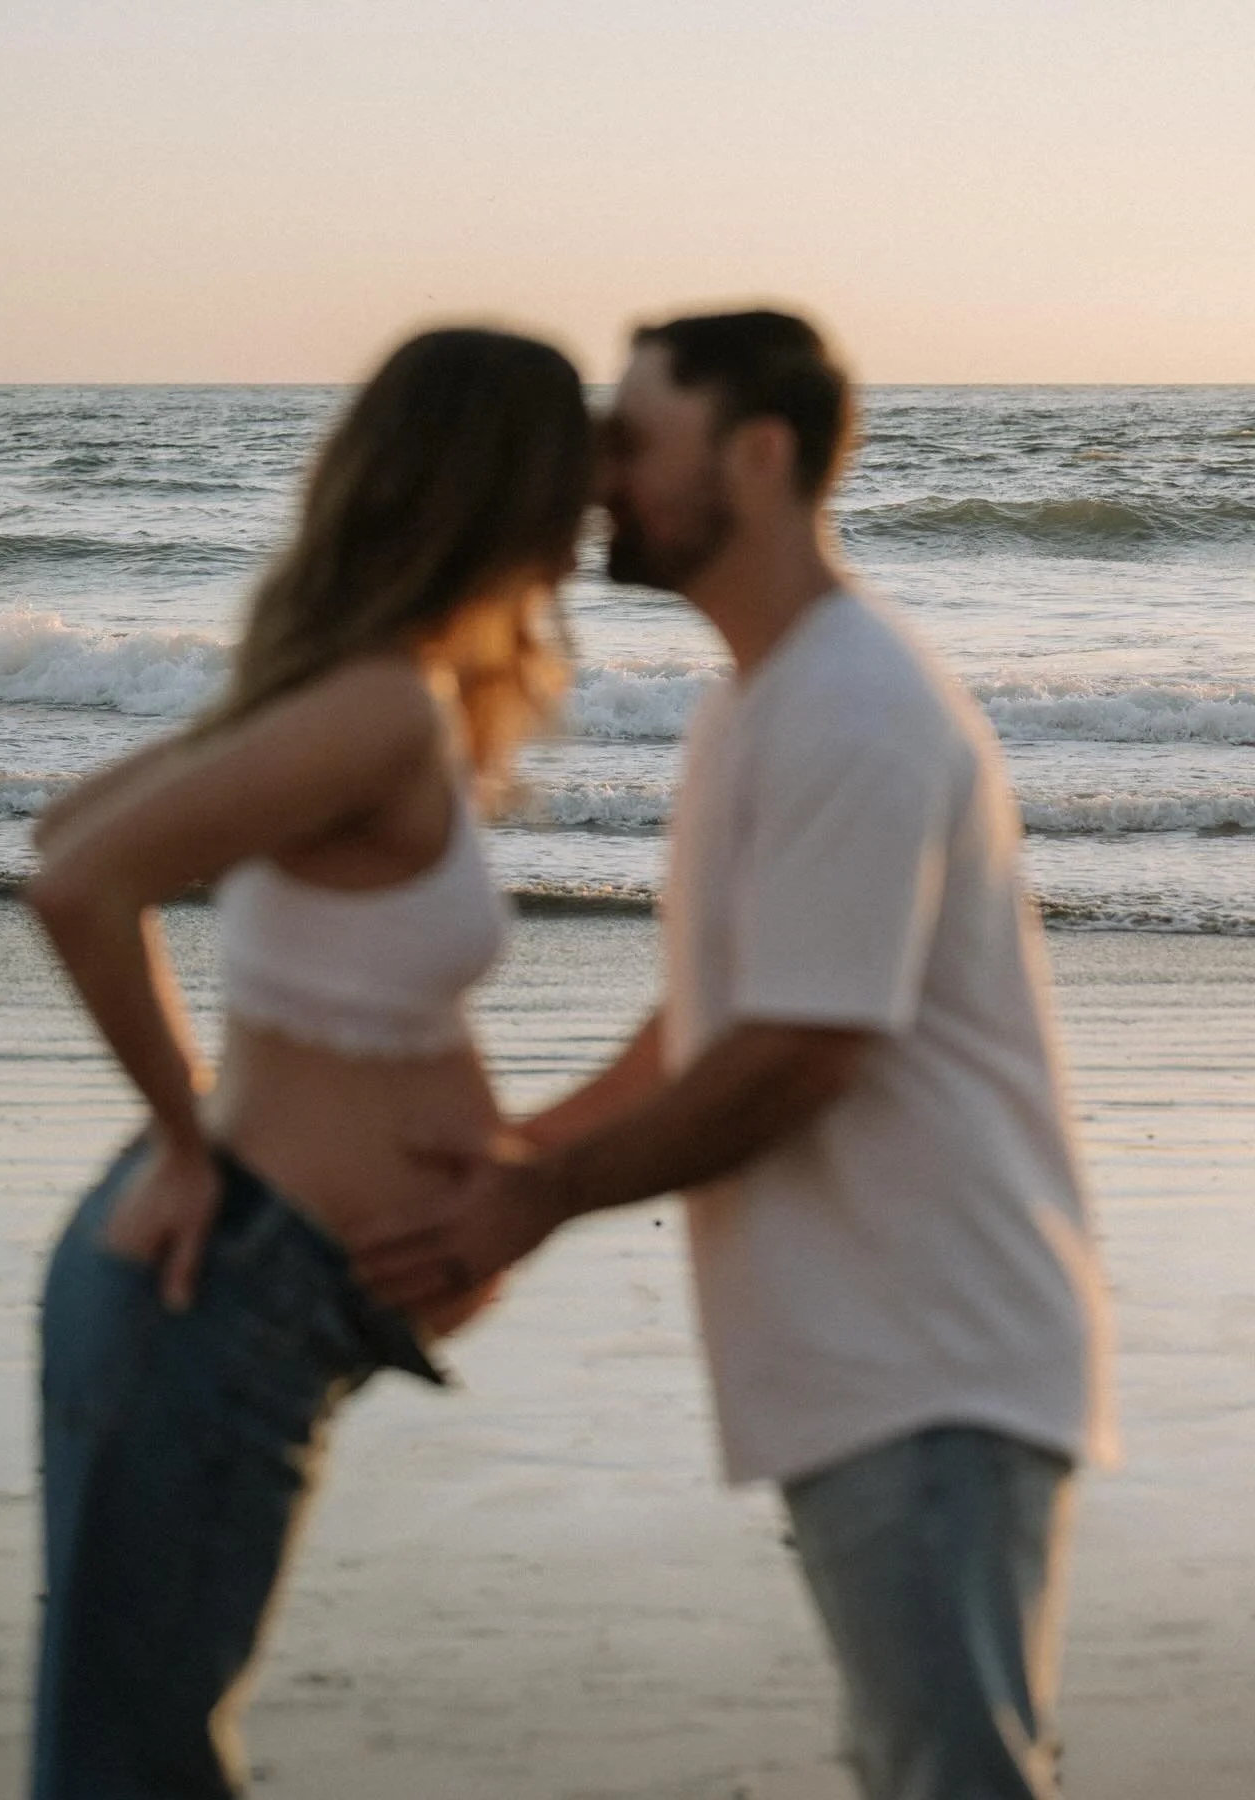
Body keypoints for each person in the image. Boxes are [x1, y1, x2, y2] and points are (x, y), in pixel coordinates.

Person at [354, 309, 1117, 1800]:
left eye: (632, 438)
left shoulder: (852, 705)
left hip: (937, 1363)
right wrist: (515, 1162)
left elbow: (798, 1056)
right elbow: (711, 1024)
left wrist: (534, 1200)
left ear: (757, 459)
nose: (596, 478)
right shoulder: (762, 700)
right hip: (867, 1360)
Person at [23, 326, 591, 1800]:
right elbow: (77, 879)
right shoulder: (377, 706)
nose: (588, 518)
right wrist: (185, 1142)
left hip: (255, 1299)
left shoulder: (369, 695)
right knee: (132, 1769)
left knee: (140, 1753)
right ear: (504, 492)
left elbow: (72, 817)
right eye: (568, 478)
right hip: (222, 1284)